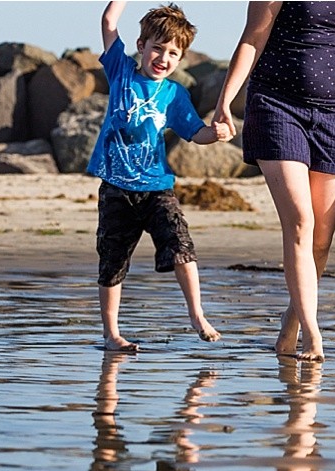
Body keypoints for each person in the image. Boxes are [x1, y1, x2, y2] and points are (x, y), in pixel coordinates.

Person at [211, 1, 335, 362]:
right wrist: (225, 102)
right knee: (301, 221)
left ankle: (293, 320)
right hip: (278, 106)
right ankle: (313, 336)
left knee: (322, 241)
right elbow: (254, 37)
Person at [88, 1, 230, 352]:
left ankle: (197, 314)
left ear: (180, 60)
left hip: (157, 188)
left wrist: (218, 133)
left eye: (172, 53)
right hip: (116, 188)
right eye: (157, 48)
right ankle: (112, 334)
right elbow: (108, 20)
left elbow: (195, 133)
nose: (163, 58)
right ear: (141, 46)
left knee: (181, 245)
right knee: (112, 260)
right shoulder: (120, 71)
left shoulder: (174, 95)